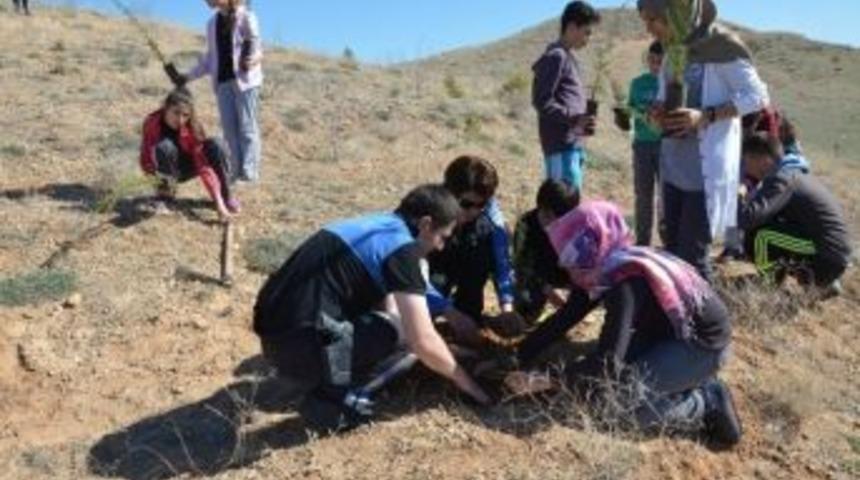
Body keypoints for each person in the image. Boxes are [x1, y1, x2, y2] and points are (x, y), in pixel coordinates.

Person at [253, 185, 490, 432]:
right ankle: (332, 399)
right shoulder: (402, 249)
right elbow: (421, 339)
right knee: (403, 331)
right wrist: (470, 386)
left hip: (273, 335)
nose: (441, 247)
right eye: (443, 237)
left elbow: (385, 298)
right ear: (426, 224)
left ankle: (326, 374)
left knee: (396, 321)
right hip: (299, 350)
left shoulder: (377, 225)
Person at [514, 201, 742, 447]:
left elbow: (608, 364)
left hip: (701, 344)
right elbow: (566, 317)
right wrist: (517, 356)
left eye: (571, 255)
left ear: (592, 246)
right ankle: (681, 378)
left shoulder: (625, 281)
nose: (566, 266)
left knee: (618, 412)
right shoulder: (604, 266)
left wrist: (545, 378)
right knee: (595, 389)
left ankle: (705, 399)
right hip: (664, 334)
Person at [638, 0, 770, 280]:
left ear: (675, 14)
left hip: (704, 174)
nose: (649, 29)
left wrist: (705, 116)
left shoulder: (721, 47)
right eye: (645, 21)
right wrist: (657, 111)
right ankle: (673, 319)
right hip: (673, 167)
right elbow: (664, 94)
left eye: (653, 20)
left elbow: (757, 96)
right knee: (672, 249)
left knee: (694, 258)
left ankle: (705, 322)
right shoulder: (673, 50)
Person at [739, 133, 852, 294]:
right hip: (832, 254)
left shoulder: (782, 179)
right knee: (764, 229)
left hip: (825, 256)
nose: (745, 167)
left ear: (763, 159)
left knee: (761, 236)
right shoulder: (795, 173)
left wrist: (739, 194)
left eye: (746, 160)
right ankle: (823, 284)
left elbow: (748, 218)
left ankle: (768, 288)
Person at [427, 156, 518, 338]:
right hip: (434, 267)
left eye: (481, 205)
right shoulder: (426, 212)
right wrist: (447, 311)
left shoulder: (490, 218)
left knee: (482, 245)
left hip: (466, 251)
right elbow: (409, 273)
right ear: (450, 192)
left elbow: (502, 262)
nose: (473, 211)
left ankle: (468, 310)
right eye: (466, 204)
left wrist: (507, 307)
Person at [177, 0, 263, 183]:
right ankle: (234, 172)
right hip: (223, 83)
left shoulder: (246, 16)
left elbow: (257, 48)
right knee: (229, 129)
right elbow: (209, 59)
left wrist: (252, 61)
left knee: (247, 128)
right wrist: (188, 76)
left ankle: (249, 174)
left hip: (246, 82)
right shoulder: (211, 24)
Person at [139, 88, 240, 219]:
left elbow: (203, 165)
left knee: (217, 144)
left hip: (188, 167)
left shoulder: (194, 128)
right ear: (166, 107)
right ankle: (165, 198)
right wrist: (155, 180)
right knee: (164, 146)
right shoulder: (152, 123)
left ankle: (226, 196)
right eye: (176, 113)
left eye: (185, 115)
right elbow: (146, 154)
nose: (180, 120)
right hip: (163, 168)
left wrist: (218, 203)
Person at [532, 1, 601, 190]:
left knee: (571, 204)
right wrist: (574, 118)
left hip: (572, 145)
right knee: (563, 208)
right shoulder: (556, 57)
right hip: (560, 146)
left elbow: (567, 98)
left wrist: (584, 119)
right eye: (587, 32)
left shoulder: (570, 58)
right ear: (571, 27)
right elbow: (542, 101)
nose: (589, 38)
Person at [512, 179, 580, 322]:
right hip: (537, 277)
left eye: (559, 221)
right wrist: (546, 288)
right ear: (540, 206)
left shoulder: (575, 226)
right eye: (547, 216)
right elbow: (523, 266)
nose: (552, 224)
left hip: (563, 274)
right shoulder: (526, 225)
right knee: (525, 306)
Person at [627, 41, 664, 246]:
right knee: (643, 194)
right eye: (652, 60)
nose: (655, 65)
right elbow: (630, 107)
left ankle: (668, 239)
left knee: (665, 196)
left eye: (660, 61)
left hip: (665, 144)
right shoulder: (637, 83)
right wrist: (641, 113)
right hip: (642, 144)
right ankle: (642, 241)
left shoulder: (670, 83)